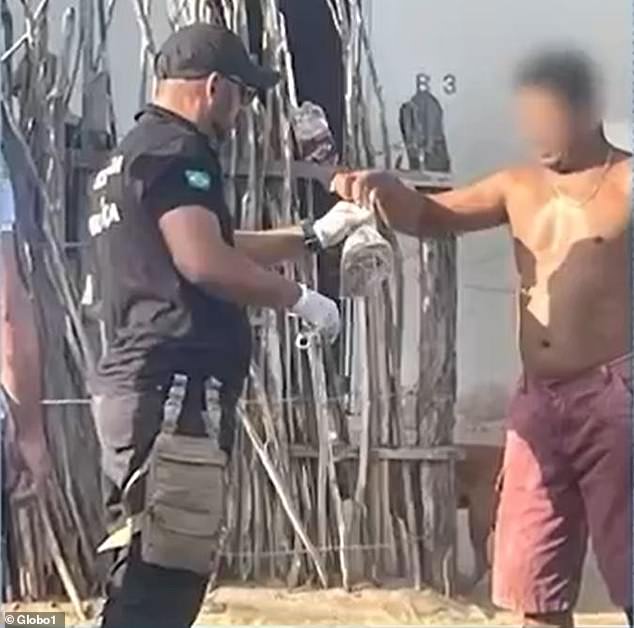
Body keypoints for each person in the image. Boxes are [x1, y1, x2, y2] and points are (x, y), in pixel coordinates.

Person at [331, 49, 631, 628]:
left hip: (613, 395)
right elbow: (430, 217)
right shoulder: (516, 185)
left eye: (549, 118)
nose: (536, 132)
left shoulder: (626, 181)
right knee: (533, 585)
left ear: (588, 112)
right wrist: (385, 190)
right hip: (538, 405)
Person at [90, 24, 367, 628]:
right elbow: (203, 261)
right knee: (163, 584)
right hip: (175, 392)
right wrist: (303, 301)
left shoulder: (133, 152)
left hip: (141, 387)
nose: (242, 111)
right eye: (241, 95)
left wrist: (310, 236)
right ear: (213, 87)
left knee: (144, 569)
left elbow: (208, 241)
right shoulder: (176, 150)